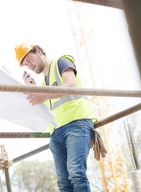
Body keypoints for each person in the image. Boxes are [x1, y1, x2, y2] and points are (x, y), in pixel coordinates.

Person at [14, 42, 97, 192]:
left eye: (29, 59)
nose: (29, 65)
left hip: (76, 124)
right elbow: (46, 110)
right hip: (56, 133)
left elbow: (71, 85)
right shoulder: (44, 82)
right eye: (26, 64)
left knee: (76, 173)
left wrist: (42, 94)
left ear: (39, 51)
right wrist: (33, 89)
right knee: (64, 184)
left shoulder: (62, 62)